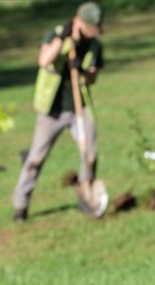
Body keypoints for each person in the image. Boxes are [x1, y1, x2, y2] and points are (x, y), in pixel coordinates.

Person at [11, 1, 104, 222]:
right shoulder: (56, 34)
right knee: (36, 158)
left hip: (80, 108)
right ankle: (20, 206)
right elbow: (44, 60)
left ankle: (87, 200)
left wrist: (81, 70)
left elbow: (92, 78)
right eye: (91, 27)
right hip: (52, 110)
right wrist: (63, 40)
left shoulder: (95, 45)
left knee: (89, 154)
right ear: (79, 21)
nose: (94, 32)